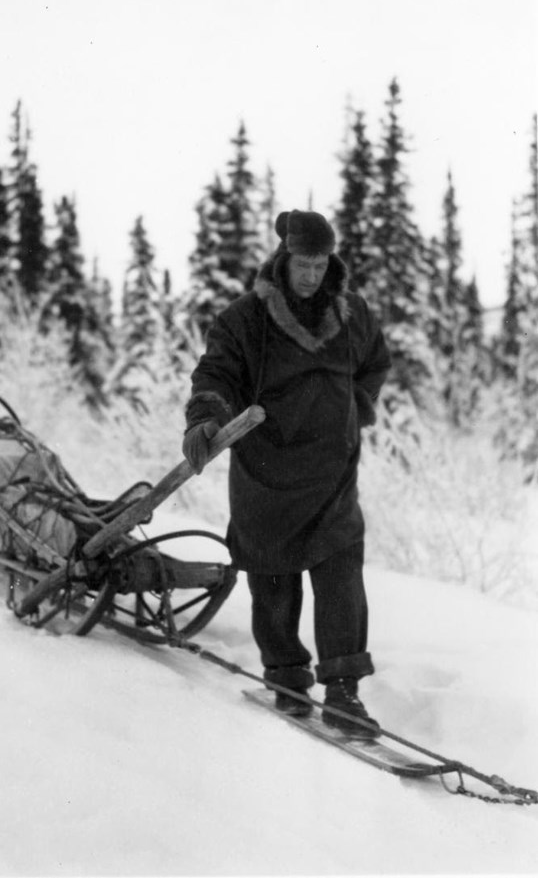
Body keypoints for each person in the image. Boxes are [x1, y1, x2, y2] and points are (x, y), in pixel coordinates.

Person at [182, 209, 391, 736]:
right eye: (303, 264)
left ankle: (344, 692)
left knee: (342, 576)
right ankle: (287, 678)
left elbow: (375, 362)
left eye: (321, 265)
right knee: (273, 577)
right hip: (266, 469)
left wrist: (355, 407)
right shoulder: (244, 319)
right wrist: (206, 417)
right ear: (283, 259)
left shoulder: (354, 315)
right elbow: (217, 374)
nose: (311, 275)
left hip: (333, 471)